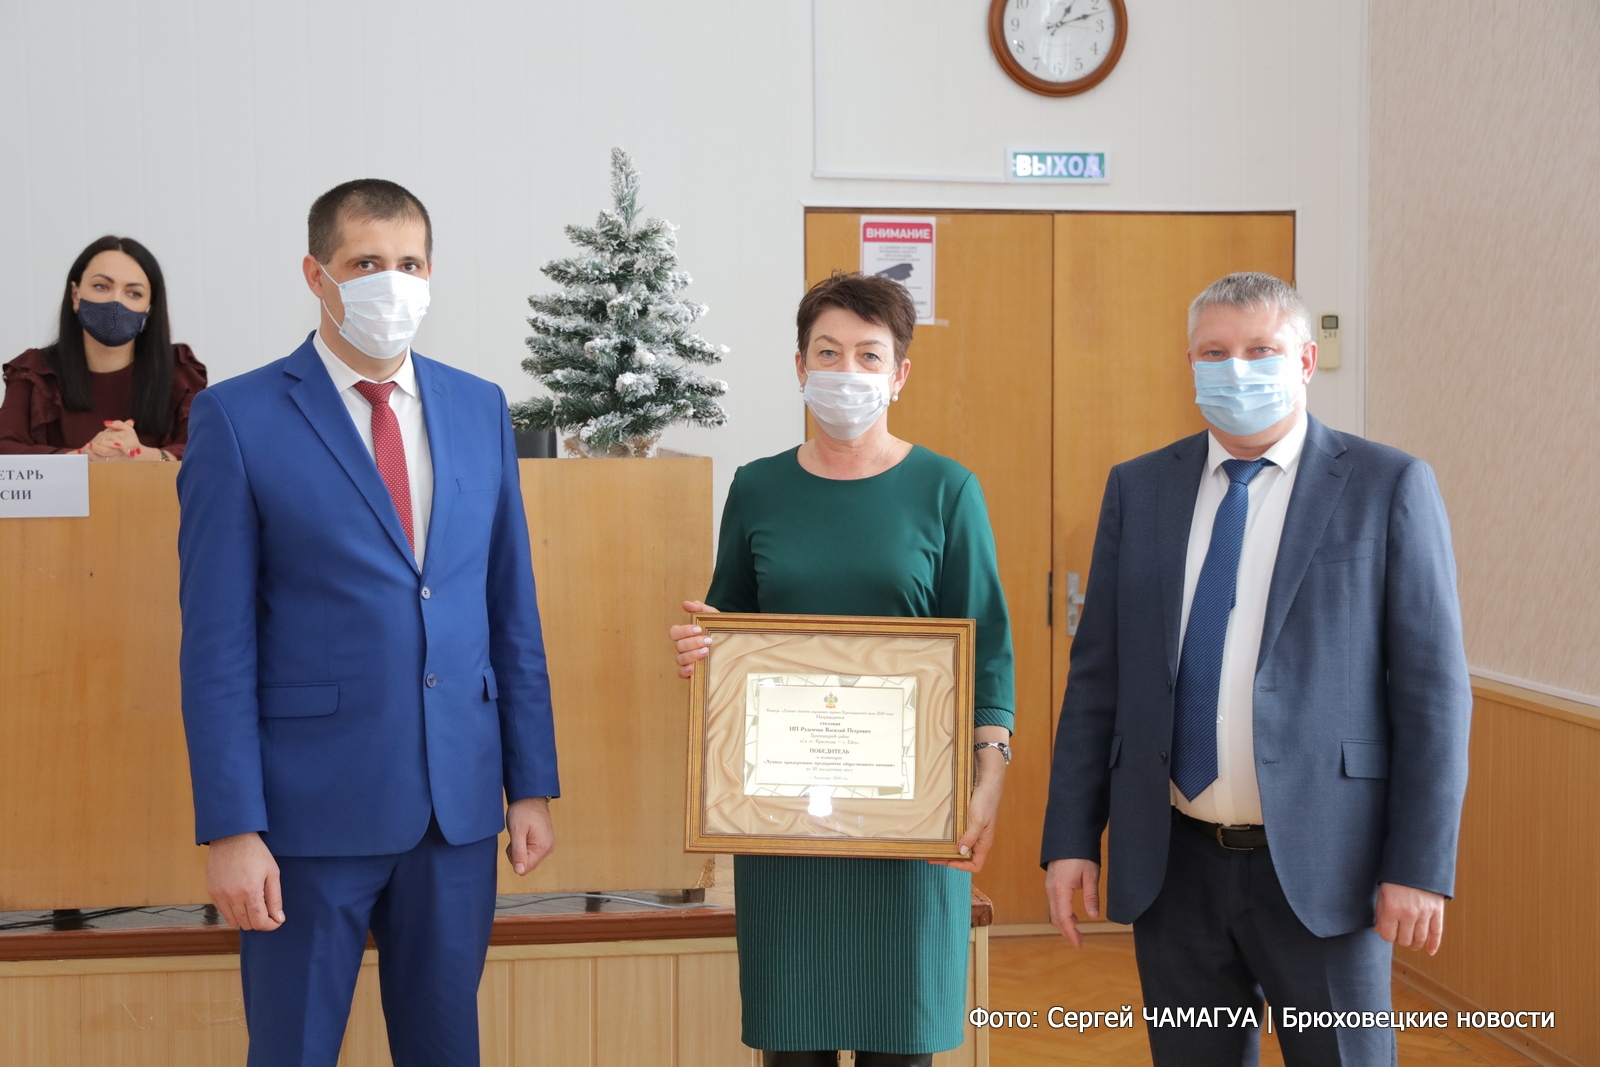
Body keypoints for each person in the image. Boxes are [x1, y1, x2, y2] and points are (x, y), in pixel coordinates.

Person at [1040, 272, 1472, 1066]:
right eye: (1214, 352)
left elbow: (1433, 696)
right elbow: (1097, 678)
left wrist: (1419, 864)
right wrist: (1070, 837)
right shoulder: (1139, 487)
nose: (1235, 369)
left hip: (1327, 868)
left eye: (1260, 349)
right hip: (1174, 866)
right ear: (1190, 363)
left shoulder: (1386, 485)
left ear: (1305, 360)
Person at [177, 179, 559, 1067]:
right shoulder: (236, 416)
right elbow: (217, 645)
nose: (393, 282)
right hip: (304, 819)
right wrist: (231, 826)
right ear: (317, 275)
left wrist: (530, 782)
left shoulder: (479, 406)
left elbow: (510, 605)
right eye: (366, 263)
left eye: (410, 263)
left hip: (456, 813)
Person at [668, 273, 1015, 1067]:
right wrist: (703, 648)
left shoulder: (947, 489)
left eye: (868, 354)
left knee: (903, 1043)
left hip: (912, 821)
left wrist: (988, 774)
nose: (846, 370)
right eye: (828, 352)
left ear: (900, 373)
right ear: (799, 366)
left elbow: (988, 648)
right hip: (784, 821)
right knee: (794, 1045)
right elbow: (731, 627)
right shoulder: (758, 487)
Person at [0, 235, 206, 458]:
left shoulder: (180, 371)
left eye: (134, 293)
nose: (116, 302)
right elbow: (6, 446)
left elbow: (203, 449)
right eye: (101, 286)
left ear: (149, 307)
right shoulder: (35, 372)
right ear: (76, 295)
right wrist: (83, 457)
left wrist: (142, 456)